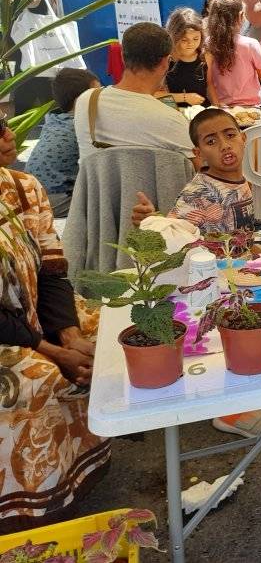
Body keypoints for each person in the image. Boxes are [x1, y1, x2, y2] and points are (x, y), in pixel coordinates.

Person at [131, 109, 261, 440]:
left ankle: (252, 385)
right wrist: (152, 220)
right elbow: (176, 232)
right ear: (198, 154)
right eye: (211, 141)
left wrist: (253, 252)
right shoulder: (201, 191)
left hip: (238, 269)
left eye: (230, 135)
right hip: (211, 282)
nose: (225, 145)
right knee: (231, 333)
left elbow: (239, 228)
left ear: (243, 138)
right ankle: (231, 410)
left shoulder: (240, 180)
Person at [0, 164, 110, 533]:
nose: (6, 137)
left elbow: (51, 270)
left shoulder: (21, 186)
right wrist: (50, 350)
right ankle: (29, 510)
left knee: (105, 333)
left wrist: (70, 335)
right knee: (33, 377)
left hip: (29, 313)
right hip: (9, 332)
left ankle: (78, 467)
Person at [74, 23, 196, 167]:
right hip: (150, 189)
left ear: (123, 57)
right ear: (165, 62)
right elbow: (199, 172)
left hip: (97, 189)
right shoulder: (171, 120)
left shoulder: (86, 101)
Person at [25, 68, 99, 217]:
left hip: (31, 193)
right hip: (53, 200)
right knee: (103, 203)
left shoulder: (54, 119)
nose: (102, 98)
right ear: (81, 100)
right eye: (97, 94)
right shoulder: (81, 127)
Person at [204, 0, 261, 107]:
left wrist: (217, 106)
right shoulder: (251, 44)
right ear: (240, 16)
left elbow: (208, 81)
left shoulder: (208, 43)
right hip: (251, 110)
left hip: (222, 107)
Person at [159, 7, 208, 107]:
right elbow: (154, 96)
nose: (191, 44)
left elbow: (211, 88)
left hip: (203, 113)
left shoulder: (205, 56)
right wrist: (184, 97)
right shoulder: (164, 60)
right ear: (174, 37)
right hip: (174, 114)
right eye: (184, 40)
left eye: (195, 39)